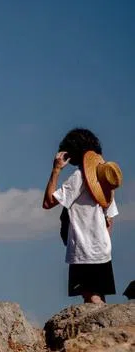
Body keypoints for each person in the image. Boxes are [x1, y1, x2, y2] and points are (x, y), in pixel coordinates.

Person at [42, 128, 122, 303]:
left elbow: (48, 203)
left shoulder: (79, 176)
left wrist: (56, 169)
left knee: (91, 298)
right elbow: (110, 219)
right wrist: (101, 246)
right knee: (99, 297)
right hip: (102, 250)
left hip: (84, 250)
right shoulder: (104, 180)